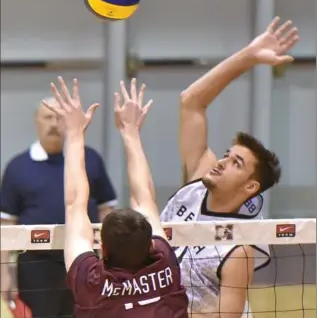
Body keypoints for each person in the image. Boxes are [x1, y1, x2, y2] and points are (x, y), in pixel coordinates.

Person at [160, 17, 300, 317]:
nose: (222, 162)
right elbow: (191, 102)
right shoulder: (197, 181)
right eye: (227, 154)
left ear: (250, 187)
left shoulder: (239, 250)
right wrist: (248, 57)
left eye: (236, 163)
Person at [42, 77, 189, 318]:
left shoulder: (91, 284)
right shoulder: (166, 268)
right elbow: (144, 201)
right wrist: (130, 132)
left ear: (104, 250)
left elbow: (74, 204)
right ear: (151, 244)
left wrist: (75, 133)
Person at [0, 95, 117, 318]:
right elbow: (6, 223)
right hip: (36, 265)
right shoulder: (17, 167)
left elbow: (106, 210)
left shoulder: (89, 160)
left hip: (84, 260)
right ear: (37, 121)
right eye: (48, 117)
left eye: (59, 118)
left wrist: (110, 258)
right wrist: (3, 273)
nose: (54, 124)